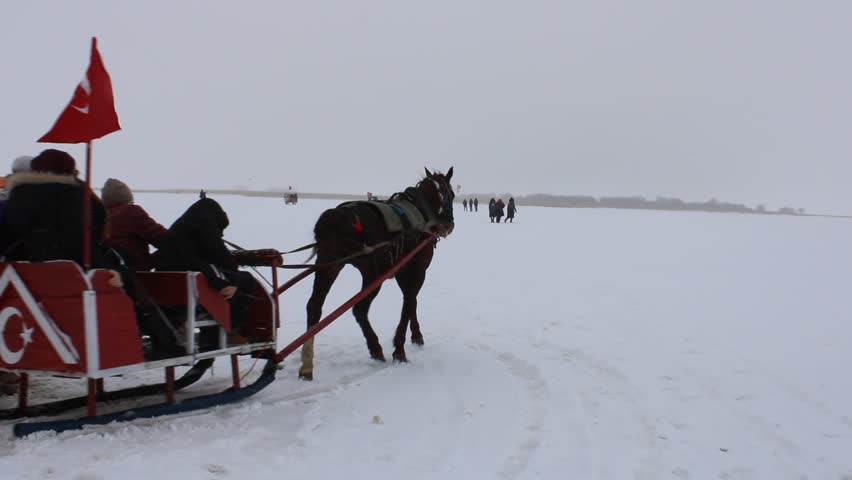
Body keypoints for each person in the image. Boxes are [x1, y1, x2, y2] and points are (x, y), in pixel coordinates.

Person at [153, 197, 255, 345]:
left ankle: (214, 332)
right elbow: (219, 253)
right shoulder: (206, 224)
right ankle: (230, 331)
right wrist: (234, 280)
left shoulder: (181, 226)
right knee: (245, 280)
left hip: (167, 292)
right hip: (190, 291)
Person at [102, 178, 167, 271]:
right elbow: (163, 239)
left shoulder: (101, 217)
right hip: (135, 274)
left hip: (112, 273)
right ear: (127, 199)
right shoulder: (131, 212)